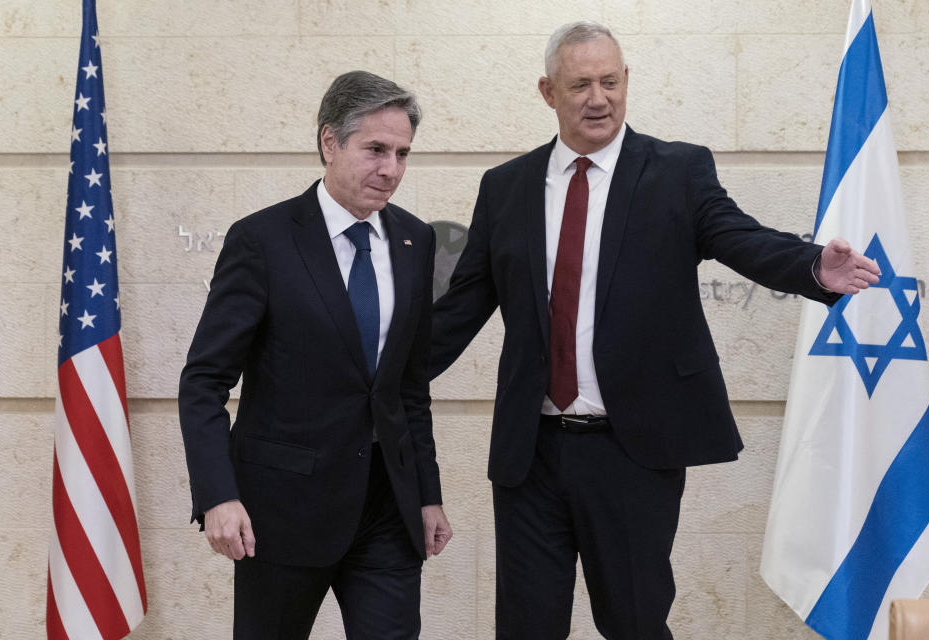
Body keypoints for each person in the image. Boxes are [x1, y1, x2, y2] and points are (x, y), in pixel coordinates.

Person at [429, 21, 880, 640]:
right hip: (529, 454)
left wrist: (811, 267)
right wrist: (375, 372)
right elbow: (461, 307)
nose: (598, 98)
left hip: (632, 450)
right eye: (581, 84)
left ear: (626, 82)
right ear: (547, 91)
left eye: (610, 82)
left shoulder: (677, 170)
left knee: (635, 623)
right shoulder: (505, 187)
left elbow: (738, 237)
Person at [179, 70, 452, 640]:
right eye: (376, 149)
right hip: (281, 511)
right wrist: (218, 495)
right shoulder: (262, 240)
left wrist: (428, 495)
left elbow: (408, 388)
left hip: (386, 509)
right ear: (330, 141)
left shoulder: (414, 240)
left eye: (403, 153)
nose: (392, 169)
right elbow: (204, 380)